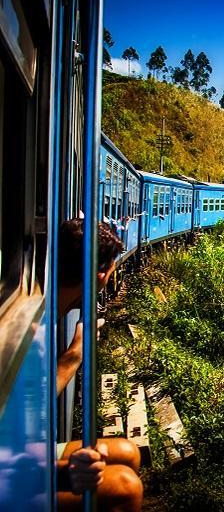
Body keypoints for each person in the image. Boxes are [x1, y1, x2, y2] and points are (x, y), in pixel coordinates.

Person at [55, 219, 143, 512]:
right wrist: (62, 473)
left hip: (19, 454)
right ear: (101, 274)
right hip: (13, 470)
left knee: (128, 452)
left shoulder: (51, 310)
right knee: (126, 487)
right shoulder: (25, 326)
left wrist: (75, 353)